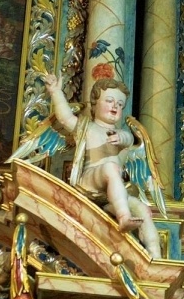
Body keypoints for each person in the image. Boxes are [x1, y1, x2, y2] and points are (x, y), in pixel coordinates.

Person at [41, 73, 162, 258]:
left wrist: (122, 137)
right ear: (95, 104)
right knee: (111, 168)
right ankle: (123, 218)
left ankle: (155, 257)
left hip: (111, 196)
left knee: (143, 209)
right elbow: (65, 118)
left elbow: (129, 139)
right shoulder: (87, 127)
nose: (115, 106)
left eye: (120, 105)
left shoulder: (123, 134)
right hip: (89, 184)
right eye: (110, 101)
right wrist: (56, 91)